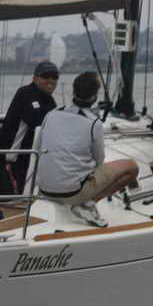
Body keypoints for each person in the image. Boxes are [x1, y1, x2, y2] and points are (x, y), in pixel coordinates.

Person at [37, 71, 139, 228]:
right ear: (95, 96)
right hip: (72, 194)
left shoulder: (51, 114)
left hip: (44, 188)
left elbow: (40, 146)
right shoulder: (94, 123)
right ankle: (88, 204)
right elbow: (99, 160)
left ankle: (84, 200)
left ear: (74, 91)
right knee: (132, 167)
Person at [0, 60, 59, 194]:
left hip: (32, 161)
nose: (50, 80)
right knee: (16, 200)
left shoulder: (49, 101)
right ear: (35, 78)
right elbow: (37, 120)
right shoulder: (25, 93)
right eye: (46, 76)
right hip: (12, 160)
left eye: (54, 77)